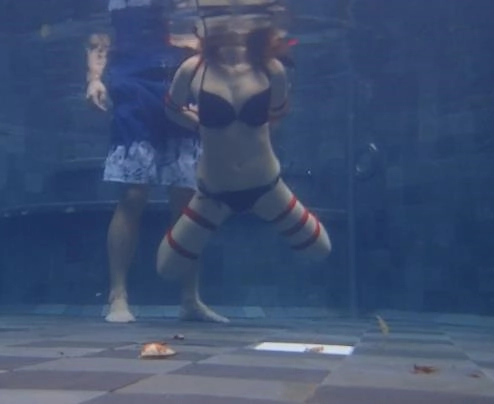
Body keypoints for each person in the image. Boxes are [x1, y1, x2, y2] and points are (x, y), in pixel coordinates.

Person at [157, 17, 333, 281]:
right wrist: (199, 123)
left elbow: (274, 118)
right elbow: (172, 109)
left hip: (267, 187)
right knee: (166, 269)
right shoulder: (193, 69)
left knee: (321, 249)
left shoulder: (272, 70)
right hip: (213, 193)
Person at [85, 0, 228, 323]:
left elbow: (206, 36)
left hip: (184, 88)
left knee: (187, 201)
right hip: (133, 89)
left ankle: (190, 298)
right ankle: (117, 296)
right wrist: (94, 78)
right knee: (133, 194)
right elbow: (99, 35)